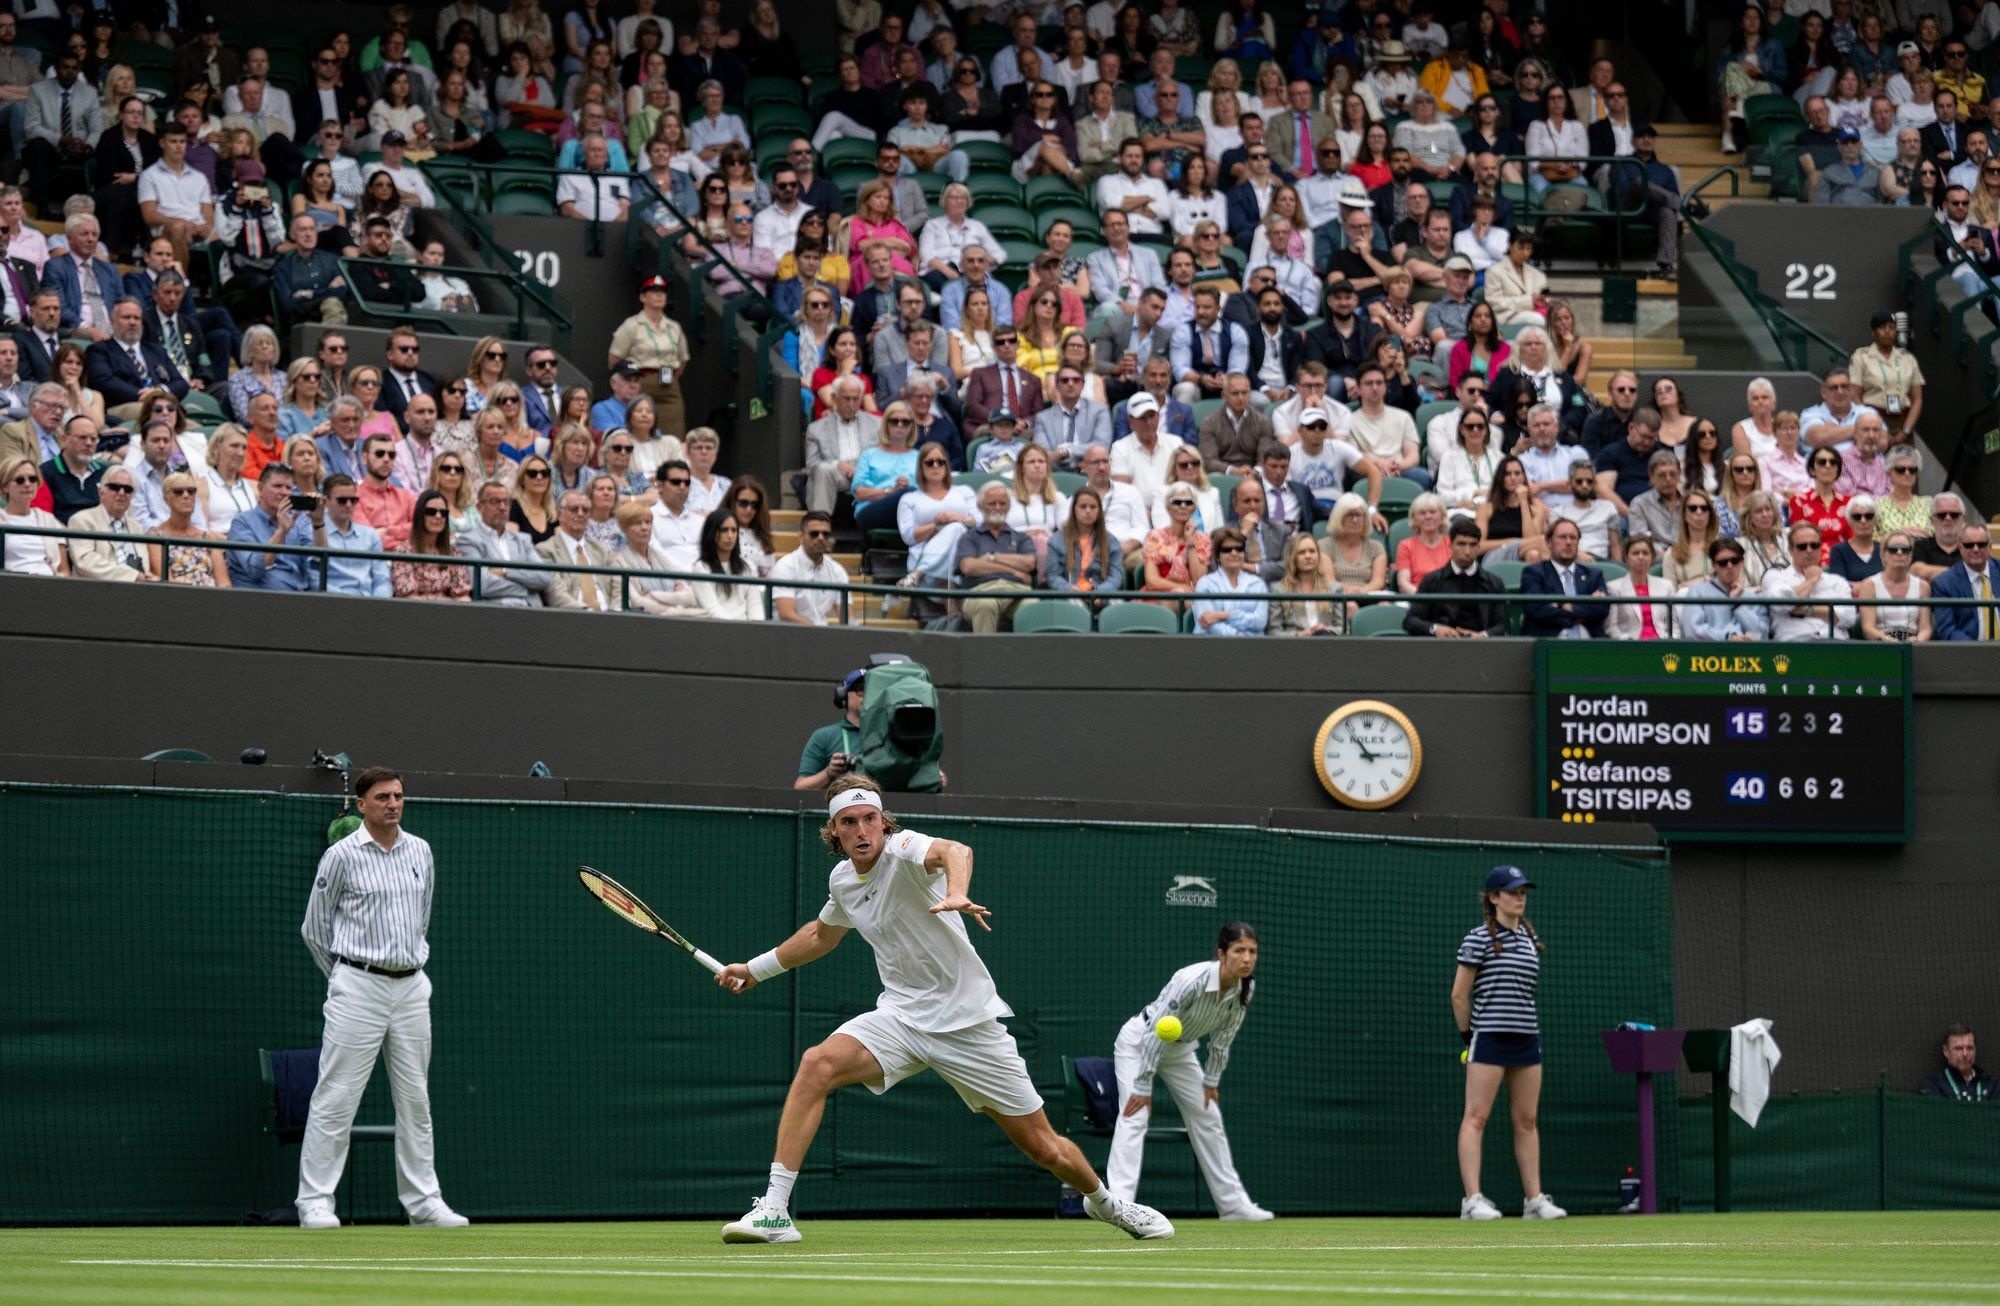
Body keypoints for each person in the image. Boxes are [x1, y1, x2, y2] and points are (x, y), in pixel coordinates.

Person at [713, 777, 1174, 1244]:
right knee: (817, 1063)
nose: (862, 830)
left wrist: (956, 891)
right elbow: (820, 935)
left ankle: (1108, 1203)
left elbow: (956, 850)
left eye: (869, 818)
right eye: (848, 822)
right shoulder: (843, 881)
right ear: (834, 831)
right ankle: (774, 1210)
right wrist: (755, 969)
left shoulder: (906, 848)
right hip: (901, 1018)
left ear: (883, 821)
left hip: (967, 1024)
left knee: (1045, 1148)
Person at [296, 767, 468, 1230]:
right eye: (382, 797)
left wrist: (400, 967)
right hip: (357, 986)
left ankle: (424, 1204)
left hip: (412, 987)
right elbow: (314, 930)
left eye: (398, 796)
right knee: (335, 1097)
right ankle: (314, 1203)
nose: (393, 803)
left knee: (415, 1100)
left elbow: (421, 919)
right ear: (361, 804)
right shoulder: (340, 857)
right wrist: (348, 979)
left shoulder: (421, 852)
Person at [1105, 921, 1270, 1217]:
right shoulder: (1190, 979)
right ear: (1221, 953)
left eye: (1252, 952)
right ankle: (1119, 1204)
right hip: (1139, 1041)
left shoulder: (1246, 987)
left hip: (1180, 1050)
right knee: (1134, 1113)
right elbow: (1156, 1033)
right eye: (1239, 951)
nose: (1247, 958)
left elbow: (1222, 1040)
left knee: (1208, 1116)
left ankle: (1233, 1206)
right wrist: (1143, 1087)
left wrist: (1211, 1081)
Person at [1453, 865, 1566, 1222]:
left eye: (1523, 892)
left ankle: (1534, 1201)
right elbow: (1459, 995)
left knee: (1527, 1119)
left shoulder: (1530, 940)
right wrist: (1469, 1039)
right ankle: (1472, 1200)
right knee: (1477, 1116)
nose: (1520, 897)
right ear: (1493, 897)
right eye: (1512, 891)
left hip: (1526, 1039)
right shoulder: (1477, 939)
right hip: (1488, 1038)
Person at [225, 463, 326, 590]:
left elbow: (319, 560)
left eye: (288, 488)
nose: (284, 492)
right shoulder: (242, 523)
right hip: (260, 600)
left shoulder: (296, 520)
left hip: (300, 596)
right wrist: (282, 531)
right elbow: (255, 569)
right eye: (277, 486)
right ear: (260, 488)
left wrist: (318, 522)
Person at [954, 482, 1038, 631]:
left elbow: (1029, 563)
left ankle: (1030, 655)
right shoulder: (969, 538)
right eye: (992, 503)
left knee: (1033, 606)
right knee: (986, 604)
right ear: (980, 506)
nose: (998, 508)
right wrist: (1013, 570)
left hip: (1017, 590)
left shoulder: (1021, 538)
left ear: (1009, 506)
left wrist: (992, 556)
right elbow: (969, 567)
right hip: (980, 591)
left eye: (1002, 503)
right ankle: (985, 655)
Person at [1405, 518, 1505, 636]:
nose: (1467, 551)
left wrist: (1483, 635)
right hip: (1441, 647)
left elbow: (1503, 624)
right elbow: (1411, 621)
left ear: (1478, 547)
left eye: (1473, 545)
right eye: (1461, 544)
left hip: (1481, 649)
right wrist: (1436, 629)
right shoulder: (1431, 580)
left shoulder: (1494, 583)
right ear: (1450, 545)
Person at [1762, 522, 1858, 640]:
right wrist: (1811, 581)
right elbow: (1782, 604)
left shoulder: (1837, 581)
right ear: (1791, 550)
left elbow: (1849, 618)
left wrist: (1807, 610)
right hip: (1795, 646)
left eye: (1814, 545)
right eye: (1802, 546)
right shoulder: (1776, 576)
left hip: (1835, 645)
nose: (1809, 550)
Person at [1520, 518, 1607, 638]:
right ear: (1548, 543)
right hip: (1549, 642)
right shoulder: (1534, 573)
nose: (1568, 542)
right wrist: (1582, 612)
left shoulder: (1594, 575)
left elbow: (1602, 609)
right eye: (1562, 537)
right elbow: (1537, 609)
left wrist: (1562, 606)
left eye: (1573, 537)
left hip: (1591, 644)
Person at [771, 510, 852, 626]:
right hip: (788, 636)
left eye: (826, 534)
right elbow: (786, 615)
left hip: (821, 636)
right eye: (814, 533)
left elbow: (847, 616)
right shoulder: (785, 566)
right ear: (801, 537)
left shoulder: (837, 570)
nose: (820, 538)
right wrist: (819, 634)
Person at [1188, 526, 1269, 634]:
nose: (1234, 553)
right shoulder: (1205, 583)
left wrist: (1223, 615)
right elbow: (1206, 622)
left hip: (1251, 647)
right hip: (1213, 646)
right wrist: (1236, 636)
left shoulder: (1258, 584)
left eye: (1239, 549)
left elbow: (1260, 621)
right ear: (1217, 556)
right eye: (1227, 550)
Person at [1929, 520, 2000, 640]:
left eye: (1981, 544)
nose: (1976, 549)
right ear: (1960, 547)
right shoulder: (1944, 583)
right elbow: (1947, 630)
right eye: (1969, 545)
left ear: (1989, 546)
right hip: (1969, 653)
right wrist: (1978, 652)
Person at [1857, 531, 1932, 642]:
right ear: (1883, 553)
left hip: (1913, 643)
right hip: (1880, 644)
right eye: (1893, 549)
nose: (1899, 553)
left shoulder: (1923, 586)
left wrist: (1917, 640)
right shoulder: (1869, 585)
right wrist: (1886, 639)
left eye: (1905, 549)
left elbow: (1925, 628)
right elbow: (1868, 628)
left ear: (1911, 555)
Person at [1919, 1024, 1996, 1101]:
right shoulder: (1934, 1084)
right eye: (1958, 1048)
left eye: (1970, 1048)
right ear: (1946, 1051)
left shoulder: (1991, 1085)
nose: (1965, 1054)